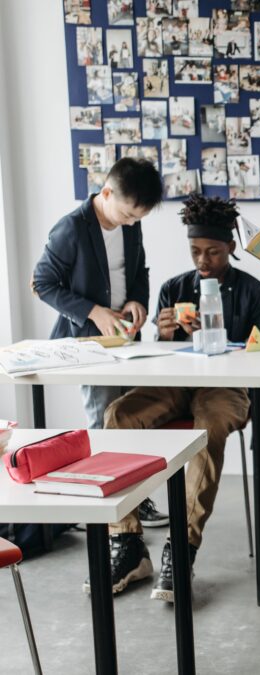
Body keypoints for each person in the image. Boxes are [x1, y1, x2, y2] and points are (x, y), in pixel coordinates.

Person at [98, 195, 260, 600]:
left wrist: (235, 342)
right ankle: (126, 542)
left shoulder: (254, 292)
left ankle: (182, 546)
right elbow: (156, 358)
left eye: (212, 251)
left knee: (207, 429)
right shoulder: (174, 288)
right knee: (118, 415)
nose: (203, 260)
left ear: (230, 247)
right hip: (175, 382)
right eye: (195, 251)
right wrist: (162, 335)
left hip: (226, 388)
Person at [33, 158, 169, 529]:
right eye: (126, 215)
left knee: (132, 418)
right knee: (104, 420)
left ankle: (135, 501)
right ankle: (106, 507)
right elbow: (43, 283)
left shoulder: (130, 224)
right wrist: (95, 312)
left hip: (128, 339)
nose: (130, 223)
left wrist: (138, 300)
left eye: (136, 219)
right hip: (90, 343)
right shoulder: (71, 229)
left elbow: (138, 270)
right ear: (106, 192)